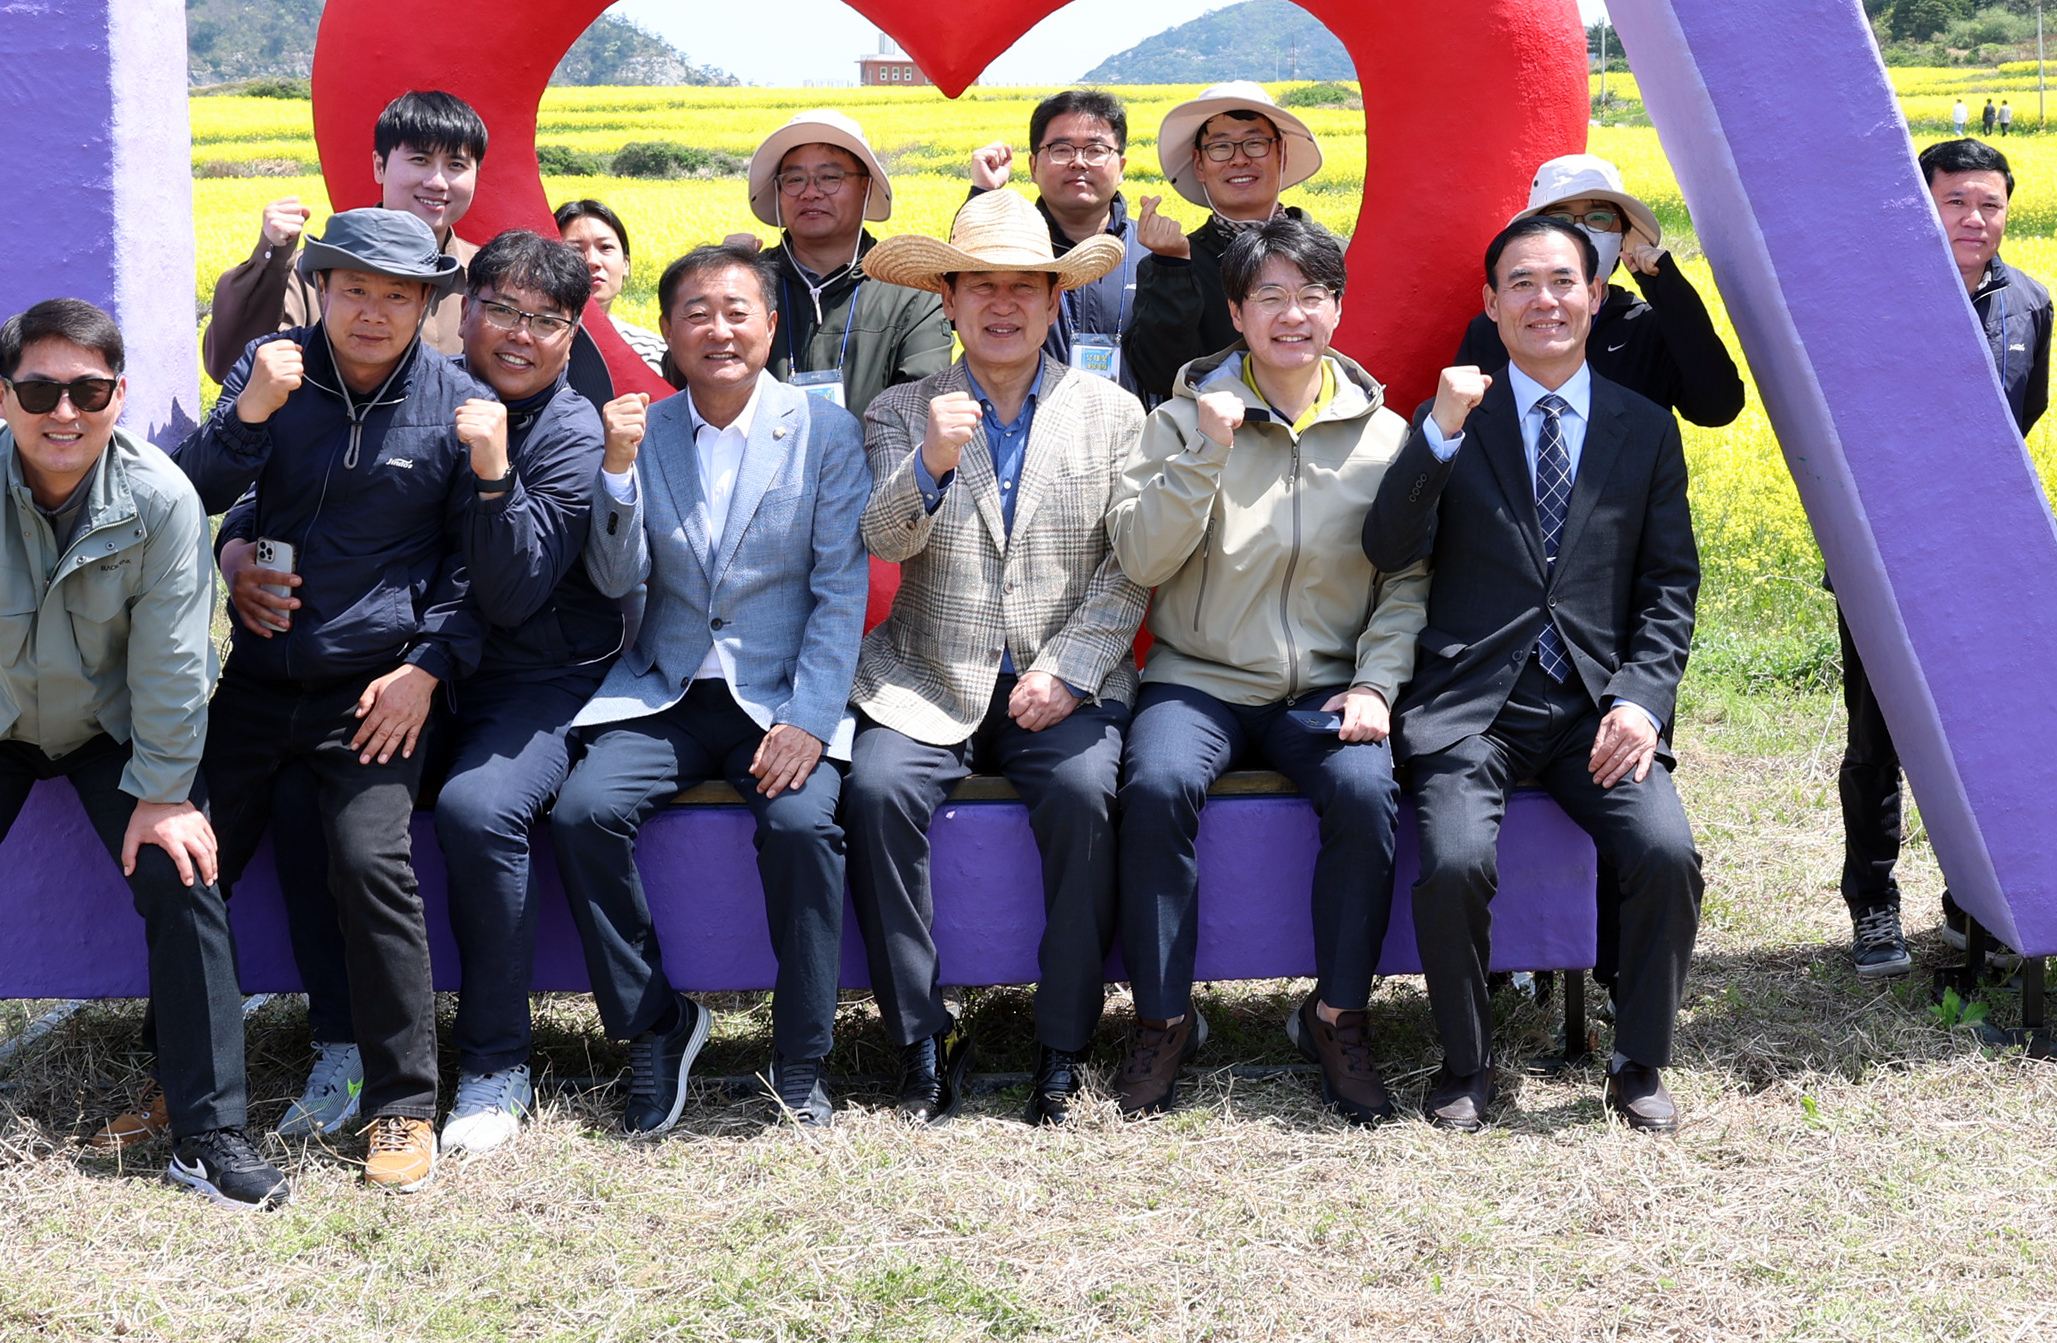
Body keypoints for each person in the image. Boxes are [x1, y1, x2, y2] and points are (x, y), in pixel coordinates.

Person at [0, 302, 287, 1215]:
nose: (63, 412)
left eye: (89, 390)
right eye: (38, 389)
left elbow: (176, 664)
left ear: (118, 394)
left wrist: (162, 794)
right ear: (2, 394)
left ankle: (209, 1135)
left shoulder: (160, 499)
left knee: (186, 884)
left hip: (108, 729)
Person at [251, 230, 624, 1158]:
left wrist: (495, 471)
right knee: (306, 795)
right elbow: (294, 496)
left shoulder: (572, 428)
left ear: (573, 335)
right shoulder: (422, 392)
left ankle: (498, 1057)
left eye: (545, 320)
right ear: (466, 313)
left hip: (529, 680)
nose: (518, 335)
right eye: (499, 309)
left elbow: (510, 593)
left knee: (475, 809)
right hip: (420, 670)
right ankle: (339, 1044)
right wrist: (237, 550)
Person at [1364, 216, 1704, 1135]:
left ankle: (1637, 1062)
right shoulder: (1453, 419)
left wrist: (1641, 698)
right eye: (1520, 283)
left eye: (1563, 281)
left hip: (1596, 707)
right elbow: (1386, 545)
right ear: (1490, 303)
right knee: (1457, 863)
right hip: (1473, 706)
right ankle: (1466, 1063)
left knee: (1666, 855)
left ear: (1595, 296)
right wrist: (1434, 433)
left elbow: (1669, 583)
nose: (1542, 300)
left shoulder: (1643, 428)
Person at [174, 209, 490, 1193]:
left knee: (368, 861)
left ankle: (401, 1105)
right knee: (189, 865)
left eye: (399, 294)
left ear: (427, 304)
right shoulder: (270, 372)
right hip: (261, 678)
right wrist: (251, 416)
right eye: (354, 288)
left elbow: (478, 570)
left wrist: (426, 667)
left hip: (380, 689)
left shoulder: (460, 404)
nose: (373, 310)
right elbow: (190, 496)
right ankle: (184, 1087)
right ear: (319, 289)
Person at [1107, 215, 1429, 1125]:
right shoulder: (1175, 421)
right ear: (1238, 313)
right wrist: (1205, 451)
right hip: (1199, 676)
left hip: (1329, 682)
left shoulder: (1384, 435)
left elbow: (1406, 581)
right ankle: (1166, 1019)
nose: (1293, 314)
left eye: (1311, 295)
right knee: (1158, 782)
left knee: (1367, 793)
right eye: (1270, 298)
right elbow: (1139, 557)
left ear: (1338, 307)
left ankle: (1334, 1015)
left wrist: (1373, 684)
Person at [550, 245, 871, 1134]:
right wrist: (613, 476)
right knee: (582, 815)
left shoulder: (824, 431)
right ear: (669, 333)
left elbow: (840, 588)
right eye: (696, 312)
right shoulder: (646, 432)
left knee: (804, 826)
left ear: (772, 324)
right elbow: (618, 580)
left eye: (737, 310)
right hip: (666, 690)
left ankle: (801, 1058)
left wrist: (810, 719)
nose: (718, 329)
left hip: (777, 695)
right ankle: (657, 1023)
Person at [843, 191, 1146, 1126]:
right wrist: (929, 462)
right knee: (876, 792)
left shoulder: (1110, 410)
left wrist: (1070, 670)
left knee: (1087, 797)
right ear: (948, 298)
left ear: (1057, 302)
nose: (1003, 305)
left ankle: (1064, 1040)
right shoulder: (903, 410)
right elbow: (883, 541)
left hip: (1063, 676)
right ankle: (919, 1037)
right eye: (982, 286)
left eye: (1026, 286)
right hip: (926, 675)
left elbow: (1131, 566)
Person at [1836, 140, 2054, 978]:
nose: (1974, 218)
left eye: (1989, 204)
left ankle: (1973, 903)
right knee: (1875, 742)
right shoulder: (1870, 303)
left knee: (1986, 741)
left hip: (1988, 571)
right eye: (1956, 201)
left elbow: (2021, 420)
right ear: (1922, 205)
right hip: (1883, 565)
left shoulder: (2029, 303)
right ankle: (1873, 905)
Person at [205, 89, 487, 382]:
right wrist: (271, 257)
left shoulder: (488, 278)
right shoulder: (311, 272)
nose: (437, 182)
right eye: (420, 160)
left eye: (456, 165)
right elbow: (231, 368)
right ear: (380, 166)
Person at [1457, 155, 1742, 430]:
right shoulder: (1496, 327)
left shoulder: (1644, 326)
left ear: (1622, 236)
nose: (1581, 231)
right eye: (1561, 220)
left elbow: (1717, 408)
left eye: (1598, 218)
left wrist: (1669, 293)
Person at [743, 108, 952, 419]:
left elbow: (919, 412)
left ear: (866, 188)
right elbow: (688, 384)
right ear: (778, 192)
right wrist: (719, 281)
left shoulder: (913, 295)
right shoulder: (746, 285)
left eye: (830, 177)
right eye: (794, 179)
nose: (810, 192)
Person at [1120, 82, 1320, 400]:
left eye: (1255, 143)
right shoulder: (1172, 265)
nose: (1239, 160)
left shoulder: (1330, 254)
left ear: (1282, 156)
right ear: (1199, 165)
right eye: (1221, 147)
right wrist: (1172, 268)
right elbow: (1159, 376)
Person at [963, 87, 1148, 395]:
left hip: (1133, 436)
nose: (1078, 162)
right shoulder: (1009, 247)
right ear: (1033, 166)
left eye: (1095, 150)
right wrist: (982, 195)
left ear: (1122, 168)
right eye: (1061, 150)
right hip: (1029, 434)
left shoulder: (1154, 252)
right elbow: (961, 312)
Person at [558, 196, 668, 377]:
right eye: (575, 250)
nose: (592, 261)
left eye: (606, 247)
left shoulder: (652, 351)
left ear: (626, 264)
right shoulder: (532, 343)